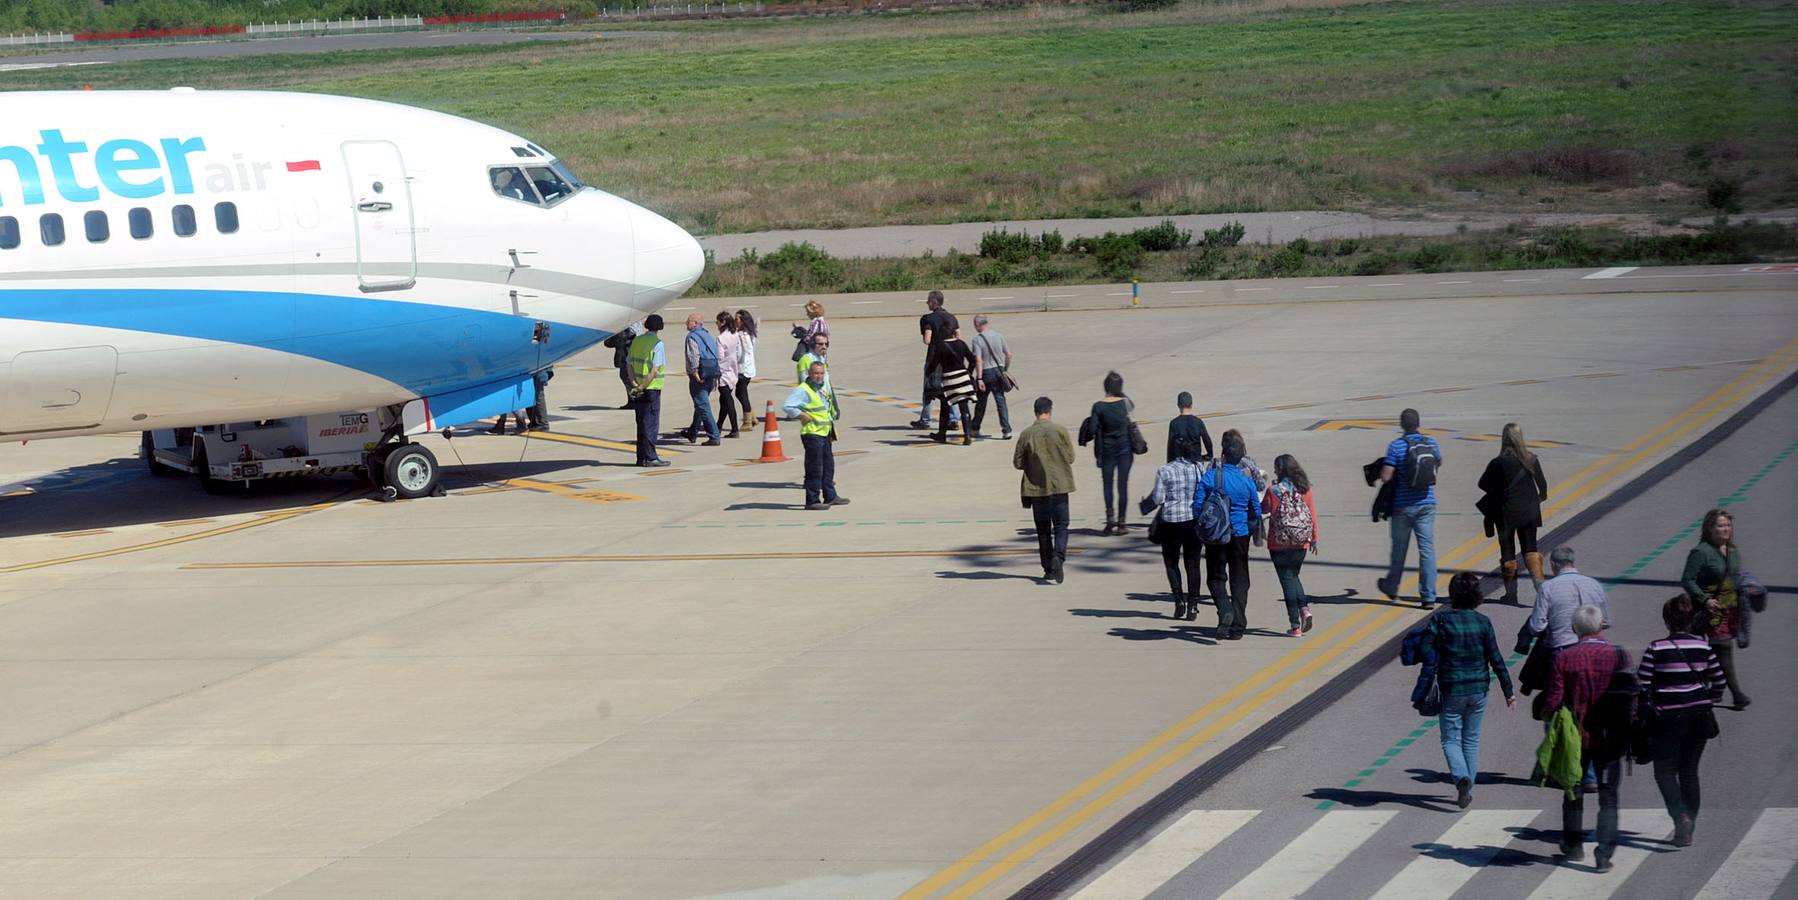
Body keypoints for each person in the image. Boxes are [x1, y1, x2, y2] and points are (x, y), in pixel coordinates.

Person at [1419, 571, 1516, 809]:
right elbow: (1496, 658)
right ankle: (1468, 785)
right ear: (1476, 595)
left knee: (1450, 739)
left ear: (1452, 594)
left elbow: (1424, 648)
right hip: (1479, 688)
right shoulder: (1483, 622)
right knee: (1471, 739)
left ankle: (1460, 777)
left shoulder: (1440, 620)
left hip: (1451, 687)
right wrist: (1508, 691)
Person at [1546, 606, 1632, 870]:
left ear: (1575, 628)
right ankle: (1604, 855)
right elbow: (1633, 693)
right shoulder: (1618, 655)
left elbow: (1553, 701)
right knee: (1608, 796)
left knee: (1573, 789)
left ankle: (1573, 846)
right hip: (1610, 736)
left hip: (1576, 738)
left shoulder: (1564, 658)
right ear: (1600, 626)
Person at [1637, 594, 1724, 848]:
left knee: (1664, 772)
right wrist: (1710, 695)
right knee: (1689, 772)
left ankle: (1680, 817)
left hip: (1667, 720)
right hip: (1698, 718)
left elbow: (1642, 685)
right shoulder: (1703, 647)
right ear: (1691, 620)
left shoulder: (1657, 648)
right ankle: (1689, 827)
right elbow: (1718, 680)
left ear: (1667, 621)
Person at [1194, 429, 1263, 640]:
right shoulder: (1247, 482)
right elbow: (1257, 511)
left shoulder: (1211, 476)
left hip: (1216, 535)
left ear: (1222, 457)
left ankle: (1225, 610)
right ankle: (1238, 626)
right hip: (1240, 535)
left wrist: (1203, 525)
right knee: (1240, 580)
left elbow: (1197, 505)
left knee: (1215, 578)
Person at [1681, 509, 1749, 710]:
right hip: (1710, 611)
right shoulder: (1701, 552)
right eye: (1721, 525)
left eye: (1728, 525)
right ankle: (1737, 695)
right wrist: (1704, 600)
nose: (1726, 529)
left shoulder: (1732, 550)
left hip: (1730, 609)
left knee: (1713, 653)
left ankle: (1711, 690)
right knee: (1723, 650)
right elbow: (1687, 580)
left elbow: (1736, 575)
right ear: (1709, 528)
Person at [1377, 408, 1443, 608]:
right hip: (1427, 503)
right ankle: (1428, 596)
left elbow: (1386, 476)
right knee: (1427, 550)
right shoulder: (1431, 442)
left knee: (1399, 550)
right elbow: (1437, 463)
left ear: (1402, 425)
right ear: (1418, 423)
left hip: (1403, 506)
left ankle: (1392, 586)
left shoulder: (1396, 446)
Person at [1478, 423, 1550, 603]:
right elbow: (1543, 486)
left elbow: (1483, 484)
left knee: (1508, 551)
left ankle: (1511, 594)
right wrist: (1540, 498)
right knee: (1530, 548)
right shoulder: (1531, 459)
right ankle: (1540, 588)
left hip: (1506, 512)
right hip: (1529, 510)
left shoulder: (1497, 463)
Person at [1015, 396, 1075, 584]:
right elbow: (1071, 457)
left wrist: (1032, 464)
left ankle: (1048, 569)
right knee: (1061, 525)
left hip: (1037, 488)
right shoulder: (1060, 430)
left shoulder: (1026, 434)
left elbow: (1017, 462)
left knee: (1042, 530)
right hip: (1060, 485)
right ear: (1050, 410)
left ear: (1035, 412)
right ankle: (1059, 556)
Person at [1148, 434, 1206, 619]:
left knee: (1172, 563)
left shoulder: (1164, 470)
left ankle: (1178, 599)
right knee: (1193, 564)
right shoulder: (1198, 468)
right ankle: (1194, 604)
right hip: (1192, 520)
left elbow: (1158, 498)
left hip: (1171, 521)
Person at [782, 361, 847, 511]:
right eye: (816, 373)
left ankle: (830, 495)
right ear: (810, 374)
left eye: (821, 373)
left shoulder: (822, 387)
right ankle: (812, 500)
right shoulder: (803, 390)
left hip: (824, 433)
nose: (819, 376)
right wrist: (800, 415)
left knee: (828, 466)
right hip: (812, 434)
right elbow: (787, 406)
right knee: (815, 468)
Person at [1266, 453, 1318, 637]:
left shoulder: (1274, 490)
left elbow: (1266, 509)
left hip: (1279, 543)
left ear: (1280, 470)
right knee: (1294, 576)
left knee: (1287, 580)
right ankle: (1304, 609)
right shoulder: (1306, 489)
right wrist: (1314, 538)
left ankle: (1295, 625)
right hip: (1301, 542)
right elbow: (1312, 514)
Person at [1527, 546, 1611, 651]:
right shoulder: (1594, 584)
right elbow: (1606, 621)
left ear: (1553, 564)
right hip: (1592, 648)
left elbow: (1537, 627)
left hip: (1561, 648)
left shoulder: (1547, 587)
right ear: (1572, 562)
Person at [1084, 371, 1136, 534]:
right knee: (1123, 486)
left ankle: (1110, 519)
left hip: (1107, 451)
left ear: (1105, 387)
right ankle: (1122, 522)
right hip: (1125, 449)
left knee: (1107, 485)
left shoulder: (1098, 406)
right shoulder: (1125, 403)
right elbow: (1131, 410)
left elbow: (1092, 429)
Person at [913, 290, 961, 429]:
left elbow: (927, 340)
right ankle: (954, 420)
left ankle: (925, 420)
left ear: (934, 303)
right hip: (950, 357)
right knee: (950, 388)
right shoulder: (951, 317)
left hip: (934, 358)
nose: (927, 303)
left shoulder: (927, 319)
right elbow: (958, 336)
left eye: (928, 301)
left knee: (929, 390)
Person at [627, 314, 670, 468]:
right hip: (650, 389)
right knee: (651, 424)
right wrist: (643, 386)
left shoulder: (637, 341)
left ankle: (641, 457)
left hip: (637, 387)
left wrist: (634, 384)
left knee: (640, 423)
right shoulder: (657, 344)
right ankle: (651, 457)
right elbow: (654, 370)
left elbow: (629, 365)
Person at [678, 312, 722, 446]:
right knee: (700, 404)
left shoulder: (692, 337)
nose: (686, 323)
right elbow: (716, 354)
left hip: (700, 375)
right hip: (711, 373)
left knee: (703, 406)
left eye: (689, 321)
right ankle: (693, 431)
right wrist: (716, 375)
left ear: (695, 324)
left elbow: (693, 355)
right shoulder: (708, 335)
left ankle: (714, 435)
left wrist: (694, 372)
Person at [970, 314, 1014, 440]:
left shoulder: (977, 340)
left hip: (986, 373)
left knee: (981, 402)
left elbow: (978, 360)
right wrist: (1005, 369)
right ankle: (1006, 430)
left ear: (978, 324)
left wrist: (979, 378)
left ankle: (975, 427)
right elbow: (1009, 354)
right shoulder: (999, 335)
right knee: (1000, 401)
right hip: (999, 371)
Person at [932, 328, 978, 446]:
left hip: (948, 379)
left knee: (945, 405)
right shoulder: (961, 344)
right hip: (962, 378)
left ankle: (942, 434)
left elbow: (934, 364)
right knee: (964, 408)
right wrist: (968, 372)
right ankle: (967, 436)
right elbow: (973, 360)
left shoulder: (940, 346)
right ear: (953, 334)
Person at [1165, 392, 1214, 463]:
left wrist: (1169, 462)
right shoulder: (1198, 422)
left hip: (1180, 462)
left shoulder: (1174, 423)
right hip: (1196, 461)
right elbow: (1207, 440)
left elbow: (1170, 446)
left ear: (1178, 405)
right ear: (1191, 405)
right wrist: (1209, 455)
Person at [715, 311, 742, 439]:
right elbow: (739, 353)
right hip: (733, 371)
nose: (716, 324)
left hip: (723, 373)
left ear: (723, 322)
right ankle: (718, 426)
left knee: (727, 400)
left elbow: (720, 357)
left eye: (718, 321)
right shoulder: (735, 334)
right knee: (724, 400)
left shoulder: (721, 338)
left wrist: (717, 373)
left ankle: (734, 428)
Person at [603, 321, 641, 409]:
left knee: (626, 375)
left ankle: (636, 399)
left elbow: (609, 343)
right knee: (626, 375)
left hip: (628, 350)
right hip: (631, 347)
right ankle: (633, 399)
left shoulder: (628, 326)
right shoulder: (634, 322)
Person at [734, 309, 758, 429]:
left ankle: (747, 422)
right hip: (749, 368)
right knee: (739, 393)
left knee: (742, 393)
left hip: (743, 368)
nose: (735, 321)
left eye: (737, 319)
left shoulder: (742, 335)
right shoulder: (750, 332)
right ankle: (752, 416)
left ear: (742, 321)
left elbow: (744, 351)